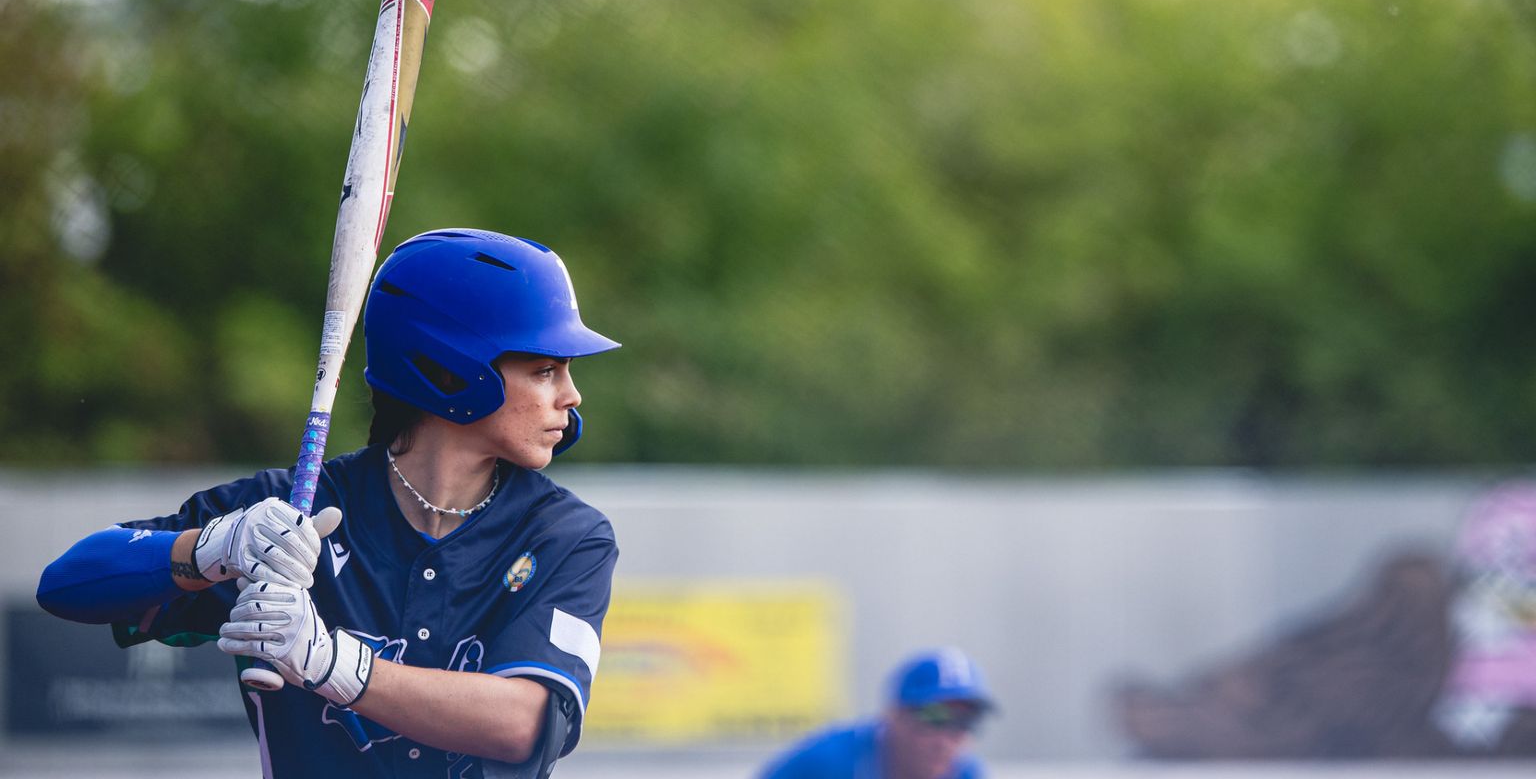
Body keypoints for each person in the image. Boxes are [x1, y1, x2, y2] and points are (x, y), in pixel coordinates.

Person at [37, 229, 621, 778]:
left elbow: (526, 724)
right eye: (545, 370)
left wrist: (331, 665)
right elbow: (66, 583)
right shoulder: (287, 511)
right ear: (450, 373)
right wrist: (216, 549)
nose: (570, 395)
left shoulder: (566, 534)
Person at [761, 647, 996, 779]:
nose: (946, 740)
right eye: (934, 717)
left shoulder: (964, 773)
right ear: (894, 717)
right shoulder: (829, 765)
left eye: (965, 721)